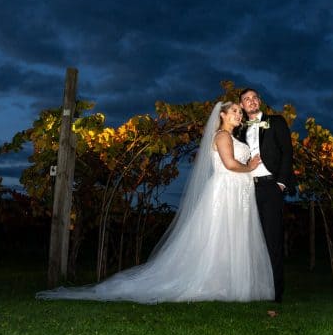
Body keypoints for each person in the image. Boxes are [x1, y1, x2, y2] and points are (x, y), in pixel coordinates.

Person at [36, 101, 274, 303]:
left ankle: (228, 283)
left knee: (232, 236)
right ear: (222, 115)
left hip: (238, 193)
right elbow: (230, 164)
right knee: (221, 236)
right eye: (234, 110)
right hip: (226, 191)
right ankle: (215, 283)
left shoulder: (233, 137)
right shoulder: (222, 136)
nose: (238, 114)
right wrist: (250, 167)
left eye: (240, 112)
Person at [238, 88, 294, 303]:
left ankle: (275, 292)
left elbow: (287, 152)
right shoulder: (240, 130)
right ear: (242, 106)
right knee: (250, 239)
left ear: (259, 101)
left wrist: (280, 183)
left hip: (271, 187)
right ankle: (254, 288)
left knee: (272, 239)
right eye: (246, 99)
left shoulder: (276, 122)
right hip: (247, 189)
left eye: (254, 98)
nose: (250, 101)